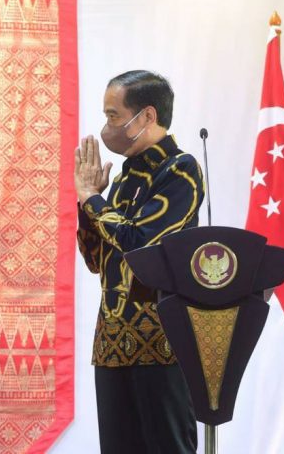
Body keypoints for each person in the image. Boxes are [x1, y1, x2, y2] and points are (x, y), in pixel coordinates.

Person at [74, 70, 204, 453]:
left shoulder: (180, 170)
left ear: (147, 116)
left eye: (113, 116)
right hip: (113, 343)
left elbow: (139, 242)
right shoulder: (123, 180)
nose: (106, 128)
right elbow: (98, 260)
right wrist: (88, 204)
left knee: (167, 446)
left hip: (161, 342)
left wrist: (91, 201)